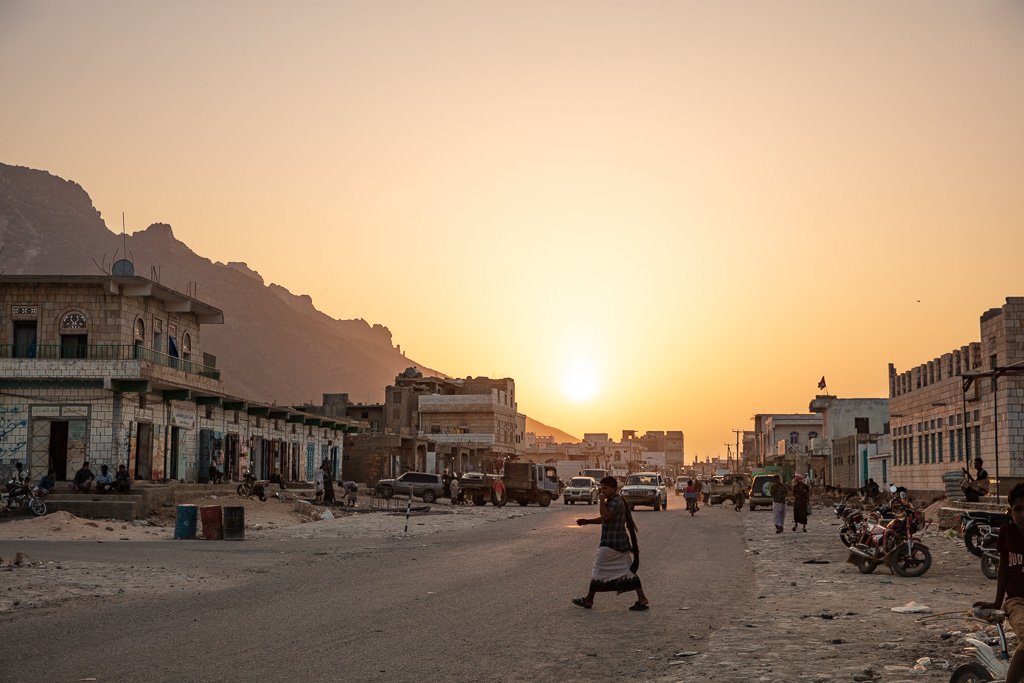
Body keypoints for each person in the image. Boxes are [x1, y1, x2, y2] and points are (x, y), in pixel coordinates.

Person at [572, 476, 649, 611]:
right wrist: (588, 521)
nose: (603, 491)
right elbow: (605, 518)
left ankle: (589, 600)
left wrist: (601, 501)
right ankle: (642, 599)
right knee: (628, 572)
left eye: (605, 488)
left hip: (611, 544)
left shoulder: (615, 502)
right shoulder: (615, 500)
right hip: (619, 544)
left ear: (614, 488)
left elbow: (606, 516)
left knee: (598, 570)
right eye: (602, 488)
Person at [974, 482, 1024, 683]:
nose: (1023, 514)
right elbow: (1003, 568)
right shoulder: (1007, 532)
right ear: (1010, 511)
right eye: (1018, 509)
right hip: (1017, 601)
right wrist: (997, 602)